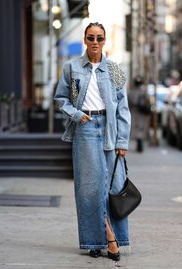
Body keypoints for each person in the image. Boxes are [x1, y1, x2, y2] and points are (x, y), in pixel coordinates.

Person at [54, 22, 131, 261]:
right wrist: (77, 115)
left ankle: (106, 239)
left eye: (99, 38)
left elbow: (123, 108)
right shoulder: (72, 67)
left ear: (104, 41)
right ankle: (104, 240)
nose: (95, 43)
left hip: (109, 128)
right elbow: (61, 98)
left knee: (114, 187)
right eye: (91, 38)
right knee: (89, 188)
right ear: (85, 40)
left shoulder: (114, 69)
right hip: (86, 127)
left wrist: (122, 140)